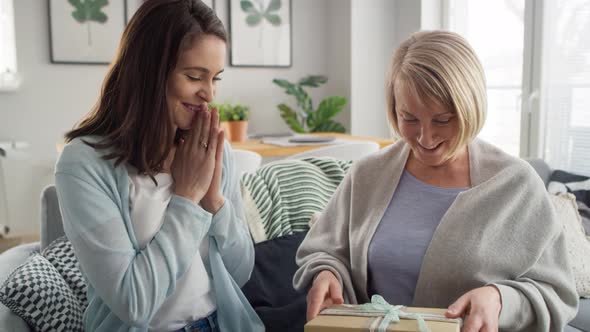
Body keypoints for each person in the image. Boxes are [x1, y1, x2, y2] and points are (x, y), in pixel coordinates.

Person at [293, 30, 578, 331]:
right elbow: (323, 250)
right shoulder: (367, 174)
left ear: (471, 107)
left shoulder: (516, 185)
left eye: (442, 120)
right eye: (409, 118)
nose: (425, 138)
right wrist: (327, 274)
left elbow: (557, 293)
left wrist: (499, 298)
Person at [55, 1, 263, 331]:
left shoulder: (209, 150)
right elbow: (133, 303)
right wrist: (187, 198)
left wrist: (216, 205)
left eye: (215, 78)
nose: (208, 93)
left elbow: (240, 273)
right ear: (149, 72)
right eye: (195, 76)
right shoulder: (84, 164)